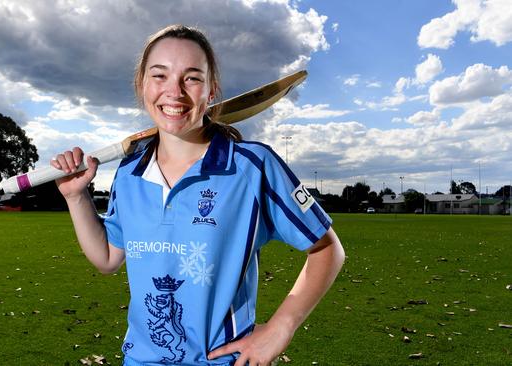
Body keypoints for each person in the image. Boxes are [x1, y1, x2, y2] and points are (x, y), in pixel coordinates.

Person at [52, 24, 345, 366]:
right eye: (159, 76)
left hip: (223, 360)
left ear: (211, 90)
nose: (173, 91)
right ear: (141, 85)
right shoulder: (130, 173)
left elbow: (327, 248)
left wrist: (282, 327)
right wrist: (76, 197)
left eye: (191, 78)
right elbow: (107, 258)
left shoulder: (251, 167)